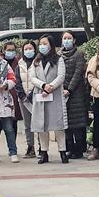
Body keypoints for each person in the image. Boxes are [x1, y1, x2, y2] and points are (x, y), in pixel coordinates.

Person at [28, 34, 67, 164]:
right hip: (40, 94)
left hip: (55, 95)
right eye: (41, 44)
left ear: (51, 45)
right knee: (41, 125)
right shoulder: (36, 61)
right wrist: (43, 85)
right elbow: (32, 77)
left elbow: (61, 76)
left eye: (45, 43)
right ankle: (44, 152)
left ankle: (62, 151)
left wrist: (50, 87)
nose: (42, 46)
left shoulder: (59, 59)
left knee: (58, 125)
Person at [60, 31, 90, 159]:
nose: (67, 40)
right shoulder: (59, 55)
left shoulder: (79, 54)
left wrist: (69, 89)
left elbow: (78, 73)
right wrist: (62, 88)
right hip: (62, 92)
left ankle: (79, 149)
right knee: (66, 123)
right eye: (65, 38)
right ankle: (69, 148)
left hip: (76, 93)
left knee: (77, 123)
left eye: (69, 38)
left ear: (74, 40)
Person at [8, 41, 37, 157]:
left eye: (30, 49)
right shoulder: (19, 64)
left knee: (40, 123)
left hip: (37, 97)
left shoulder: (39, 63)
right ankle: (31, 147)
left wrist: (33, 94)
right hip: (23, 98)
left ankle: (43, 148)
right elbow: (17, 81)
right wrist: (23, 95)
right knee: (27, 124)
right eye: (26, 49)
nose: (28, 51)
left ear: (35, 50)